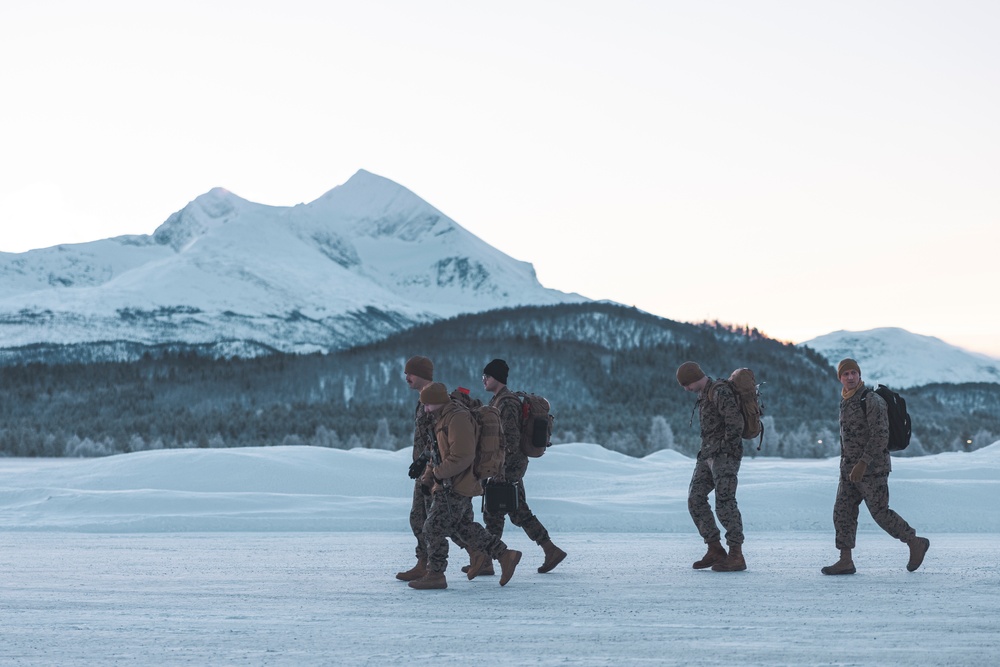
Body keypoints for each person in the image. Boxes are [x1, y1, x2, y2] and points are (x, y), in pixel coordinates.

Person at [408, 382, 522, 590]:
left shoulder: (457, 418)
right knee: (461, 527)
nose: (424, 409)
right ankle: (505, 555)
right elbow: (438, 454)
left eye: (427, 405)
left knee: (432, 528)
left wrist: (438, 474)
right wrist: (427, 479)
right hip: (449, 483)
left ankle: (436, 574)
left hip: (457, 484)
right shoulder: (441, 418)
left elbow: (463, 456)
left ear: (437, 402)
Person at [822, 358, 930, 575]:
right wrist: (849, 466)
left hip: (872, 469)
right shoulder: (846, 400)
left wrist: (863, 463)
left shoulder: (870, 400)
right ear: (840, 378)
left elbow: (881, 435)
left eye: (854, 373)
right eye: (846, 374)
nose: (850, 377)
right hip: (849, 470)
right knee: (842, 512)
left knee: (880, 512)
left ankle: (914, 541)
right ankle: (845, 560)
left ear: (859, 375)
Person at [477, 358, 566, 576]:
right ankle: (488, 560)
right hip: (509, 464)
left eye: (486, 376)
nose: (483, 380)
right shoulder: (499, 400)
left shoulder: (506, 403)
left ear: (495, 377)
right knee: (501, 512)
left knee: (506, 511)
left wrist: (499, 468)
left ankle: (549, 550)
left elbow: (509, 438)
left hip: (508, 465)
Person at [677, 361, 747, 572]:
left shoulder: (719, 391)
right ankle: (714, 548)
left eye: (686, 384)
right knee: (695, 498)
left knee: (725, 502)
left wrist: (725, 449)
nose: (685, 389)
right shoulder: (704, 394)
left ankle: (736, 554)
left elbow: (735, 423)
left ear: (693, 378)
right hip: (706, 455)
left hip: (724, 456)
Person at [395, 356, 439, 582]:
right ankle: (423, 563)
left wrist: (424, 460)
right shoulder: (424, 399)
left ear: (422, 374)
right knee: (419, 518)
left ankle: (487, 553)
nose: (406, 378)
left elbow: (439, 436)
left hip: (433, 470)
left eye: (410, 373)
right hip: (423, 469)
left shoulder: (434, 399)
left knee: (438, 521)